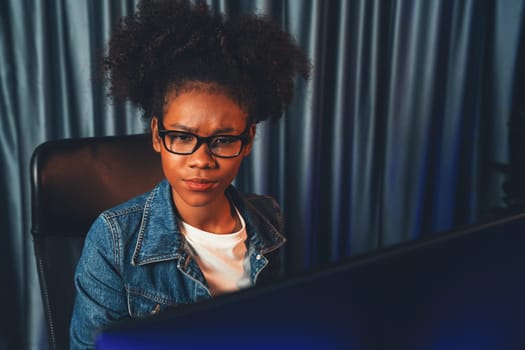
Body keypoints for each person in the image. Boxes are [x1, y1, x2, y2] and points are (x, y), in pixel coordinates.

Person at [69, 0, 310, 348]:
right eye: (182, 137)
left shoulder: (268, 221)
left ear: (248, 140)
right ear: (156, 136)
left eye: (223, 140)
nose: (201, 160)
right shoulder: (113, 239)